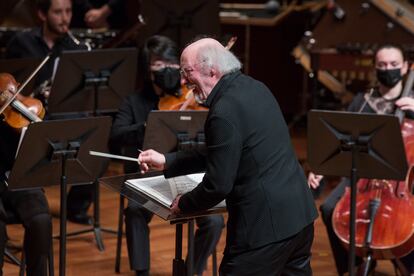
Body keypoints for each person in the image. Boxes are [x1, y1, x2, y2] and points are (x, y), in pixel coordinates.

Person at [138, 37, 318, 275]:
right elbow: (222, 151)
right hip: (300, 217)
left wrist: (185, 203)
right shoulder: (255, 87)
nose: (182, 80)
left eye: (187, 71)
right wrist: (167, 160)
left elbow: (217, 185)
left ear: (211, 70)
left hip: (263, 230)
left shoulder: (223, 111)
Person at [110, 35, 224, 276]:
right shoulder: (133, 102)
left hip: (191, 177)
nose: (168, 70)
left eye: (173, 64)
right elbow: (116, 135)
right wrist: (151, 124)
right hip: (151, 179)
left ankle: (190, 271)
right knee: (134, 210)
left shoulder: (193, 98)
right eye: (160, 64)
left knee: (214, 221)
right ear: (147, 68)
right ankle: (142, 272)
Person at [308, 44, 414, 275]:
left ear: (405, 67)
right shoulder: (362, 101)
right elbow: (341, 140)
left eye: (394, 65)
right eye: (383, 65)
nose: (389, 69)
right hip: (363, 174)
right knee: (329, 208)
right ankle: (353, 267)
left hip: (405, 177)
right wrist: (321, 168)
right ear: (375, 68)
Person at [5, 0, 94, 225]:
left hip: (62, 112)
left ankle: (76, 205)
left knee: (93, 133)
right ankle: (17, 197)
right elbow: (8, 82)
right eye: (58, 12)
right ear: (42, 14)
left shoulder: (77, 47)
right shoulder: (22, 42)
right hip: (27, 110)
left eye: (68, 11)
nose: (64, 18)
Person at [0, 75, 52, 275]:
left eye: (13, 93)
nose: (10, 99)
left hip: (20, 179)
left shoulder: (19, 115)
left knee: (41, 220)